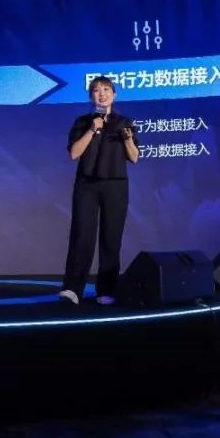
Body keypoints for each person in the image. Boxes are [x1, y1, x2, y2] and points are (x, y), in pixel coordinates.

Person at [60, 76, 140, 305]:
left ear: (114, 95)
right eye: (96, 90)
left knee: (111, 238)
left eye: (106, 89)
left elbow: (134, 157)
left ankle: (107, 289)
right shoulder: (82, 122)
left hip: (115, 185)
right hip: (87, 185)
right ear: (91, 97)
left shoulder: (125, 122)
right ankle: (73, 289)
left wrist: (127, 139)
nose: (101, 94)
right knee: (81, 235)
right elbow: (74, 153)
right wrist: (92, 130)